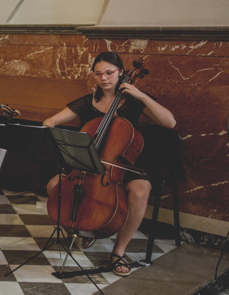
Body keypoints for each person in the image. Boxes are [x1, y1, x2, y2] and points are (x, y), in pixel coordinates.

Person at [42, 52, 176, 276]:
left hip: (124, 163)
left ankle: (119, 251)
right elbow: (52, 121)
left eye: (109, 73)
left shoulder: (134, 100)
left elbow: (170, 122)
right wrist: (49, 128)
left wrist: (141, 96)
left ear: (121, 72)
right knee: (54, 185)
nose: (103, 78)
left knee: (140, 191)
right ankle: (86, 228)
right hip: (89, 164)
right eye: (98, 74)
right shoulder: (88, 101)